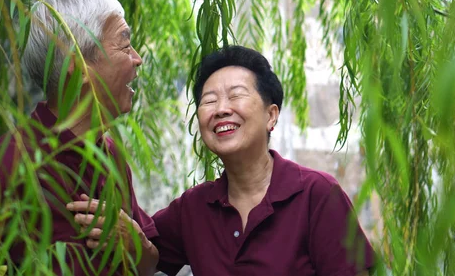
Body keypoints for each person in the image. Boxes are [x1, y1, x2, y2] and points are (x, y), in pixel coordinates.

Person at [0, 0, 159, 275]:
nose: (137, 58)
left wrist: (136, 243)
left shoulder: (111, 154)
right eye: (125, 45)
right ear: (78, 66)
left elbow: (148, 265)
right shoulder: (13, 163)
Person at [151, 45, 375, 275]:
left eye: (236, 95)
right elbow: (134, 252)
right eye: (209, 101)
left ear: (271, 115)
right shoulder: (193, 208)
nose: (221, 109)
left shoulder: (317, 195)